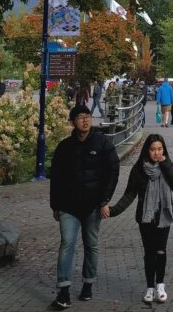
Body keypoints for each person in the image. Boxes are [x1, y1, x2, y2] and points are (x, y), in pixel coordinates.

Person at [49, 105, 120, 309]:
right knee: (67, 244)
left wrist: (105, 200)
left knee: (91, 244)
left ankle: (88, 284)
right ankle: (63, 291)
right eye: (80, 117)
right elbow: (56, 178)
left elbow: (113, 171)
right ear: (73, 122)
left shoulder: (103, 142)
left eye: (87, 116)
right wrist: (55, 205)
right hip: (68, 206)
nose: (85, 120)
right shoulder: (64, 147)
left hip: (93, 205)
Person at [104, 134, 173, 304]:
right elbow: (129, 195)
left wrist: (165, 164)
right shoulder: (139, 170)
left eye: (160, 149)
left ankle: (160, 285)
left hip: (164, 216)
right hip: (145, 218)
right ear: (147, 151)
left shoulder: (169, 166)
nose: (156, 153)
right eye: (153, 149)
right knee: (149, 253)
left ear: (164, 150)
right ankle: (150, 288)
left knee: (161, 251)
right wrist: (112, 211)